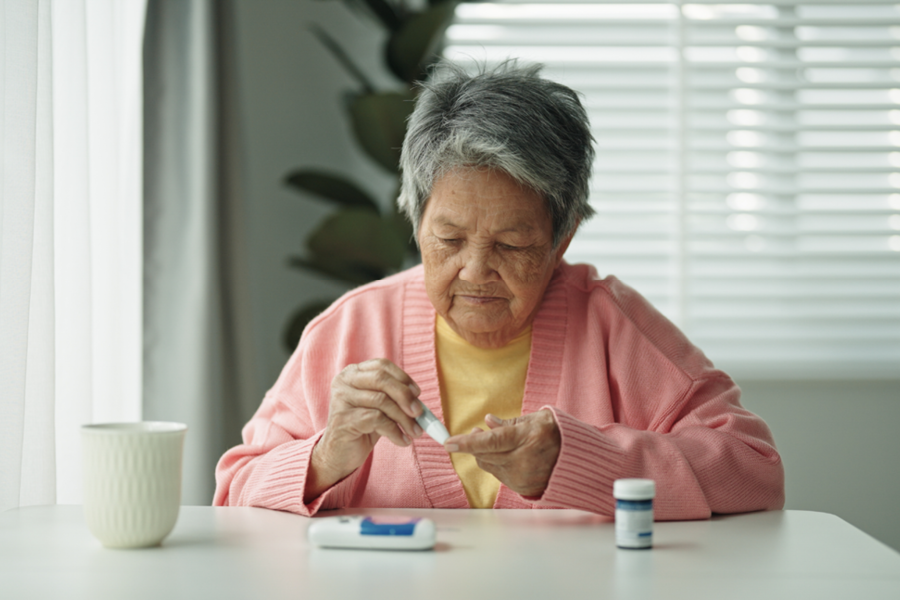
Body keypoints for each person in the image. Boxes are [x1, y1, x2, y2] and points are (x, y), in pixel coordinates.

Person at [214, 61, 784, 519]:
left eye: (511, 245)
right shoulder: (352, 329)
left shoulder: (614, 326)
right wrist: (329, 453)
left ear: (563, 239)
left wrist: (586, 462)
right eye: (449, 239)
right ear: (416, 224)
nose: (475, 270)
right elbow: (234, 488)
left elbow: (754, 468)